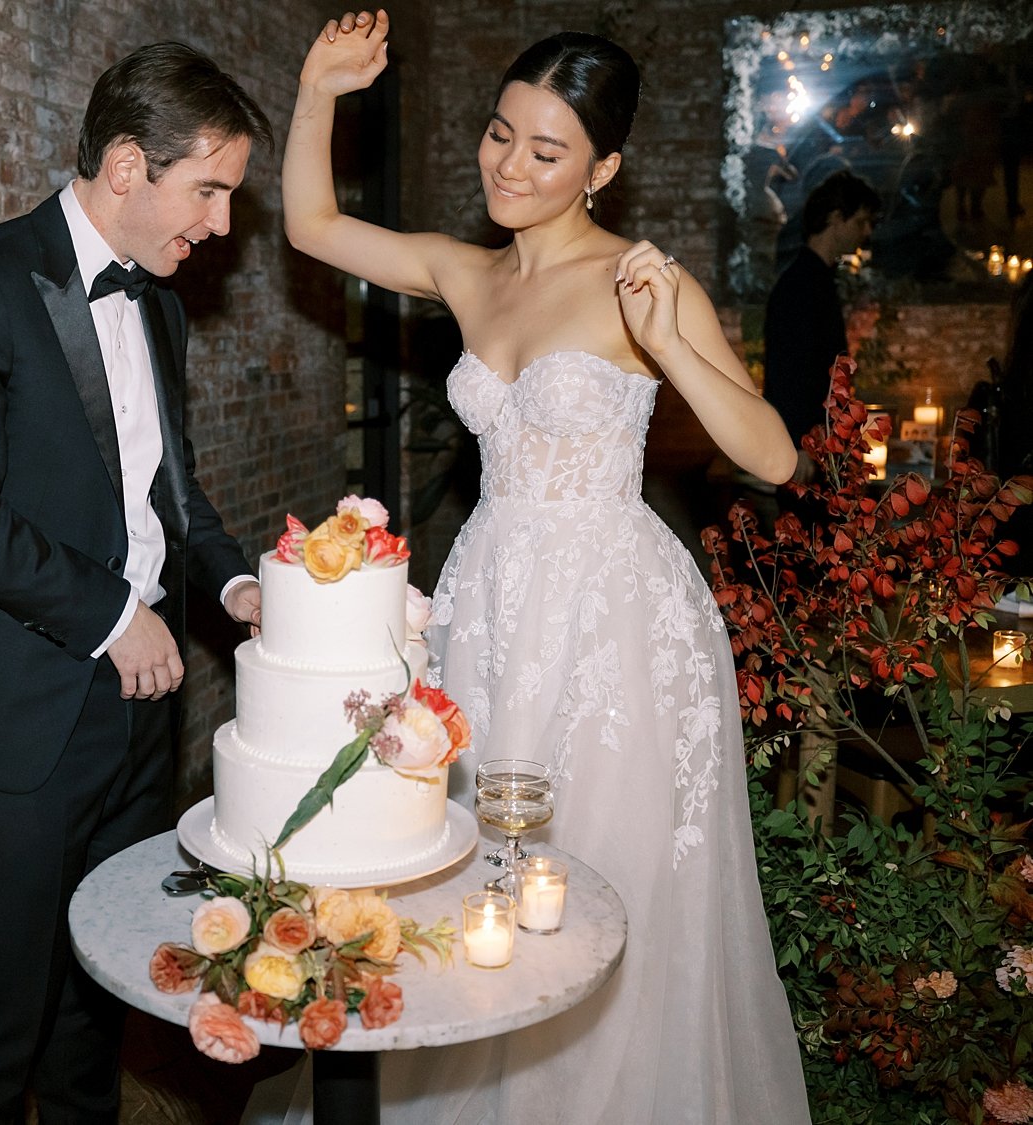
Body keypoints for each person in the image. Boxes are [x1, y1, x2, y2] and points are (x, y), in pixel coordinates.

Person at [268, 11, 811, 1122]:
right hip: (492, 607)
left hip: (616, 624)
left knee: (601, 879)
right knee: (470, 879)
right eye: (501, 133)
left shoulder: (641, 284)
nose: (511, 164)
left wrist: (669, 347)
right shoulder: (468, 273)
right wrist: (321, 89)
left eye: (547, 150)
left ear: (603, 169)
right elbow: (314, 225)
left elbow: (772, 456)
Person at [0, 42, 270, 1125]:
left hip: (144, 713)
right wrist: (111, 614)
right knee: (7, 1001)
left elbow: (169, 501)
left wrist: (238, 594)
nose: (224, 224)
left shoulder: (163, 305)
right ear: (133, 164)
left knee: (108, 983)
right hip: (21, 711)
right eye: (213, 190)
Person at [764, 170, 880, 474]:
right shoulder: (802, 283)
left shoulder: (813, 279)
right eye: (860, 221)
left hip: (817, 443)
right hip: (807, 448)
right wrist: (798, 444)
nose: (866, 232)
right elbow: (787, 372)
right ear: (836, 217)